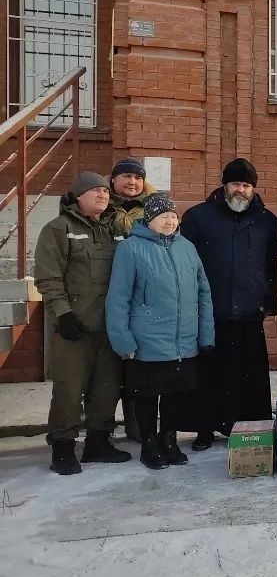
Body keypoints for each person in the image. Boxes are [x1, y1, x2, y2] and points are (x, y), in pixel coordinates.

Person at [106, 194, 214, 470]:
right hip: (147, 340)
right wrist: (123, 340)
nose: (169, 220)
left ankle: (169, 439)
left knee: (175, 394)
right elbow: (118, 298)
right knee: (146, 394)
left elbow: (203, 292)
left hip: (183, 339)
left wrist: (206, 335)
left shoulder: (187, 247)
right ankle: (149, 443)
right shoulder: (130, 248)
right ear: (149, 219)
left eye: (172, 215)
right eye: (162, 216)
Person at [178, 158, 277, 450]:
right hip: (212, 311)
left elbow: (274, 265)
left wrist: (271, 300)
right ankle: (205, 429)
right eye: (236, 184)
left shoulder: (266, 221)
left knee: (250, 378)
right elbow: (186, 264)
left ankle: (251, 429)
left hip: (250, 312)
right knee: (209, 376)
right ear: (225, 185)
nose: (241, 191)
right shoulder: (199, 217)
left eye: (247, 185)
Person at [34, 172, 130, 474]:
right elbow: (48, 277)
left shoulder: (116, 229)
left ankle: (98, 443)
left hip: (109, 326)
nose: (103, 195)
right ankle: (63, 447)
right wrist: (63, 314)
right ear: (78, 196)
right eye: (95, 190)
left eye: (105, 190)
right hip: (73, 327)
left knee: (106, 387)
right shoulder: (58, 229)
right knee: (69, 388)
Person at [108, 157, 156, 441]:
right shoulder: (102, 206)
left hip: (141, 297)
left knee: (137, 365)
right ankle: (100, 428)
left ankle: (137, 425)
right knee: (108, 370)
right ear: (113, 180)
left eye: (137, 178)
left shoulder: (152, 209)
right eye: (126, 176)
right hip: (108, 290)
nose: (132, 182)